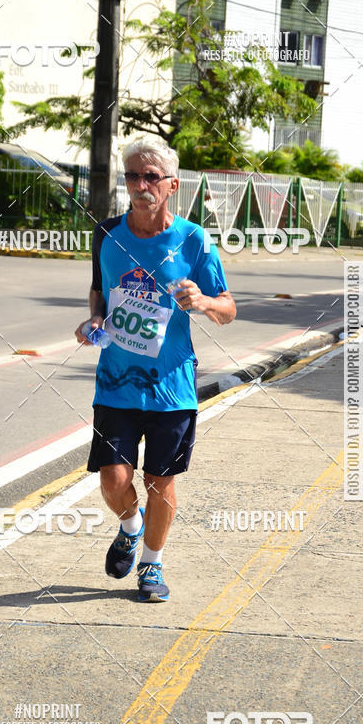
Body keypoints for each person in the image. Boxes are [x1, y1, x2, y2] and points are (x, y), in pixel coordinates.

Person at [75, 138, 236, 602]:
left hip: (172, 388)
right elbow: (98, 292)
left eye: (151, 177)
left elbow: (228, 307)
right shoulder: (106, 233)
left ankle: (151, 565)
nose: (140, 186)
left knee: (159, 484)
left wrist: (204, 302)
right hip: (116, 385)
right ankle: (130, 525)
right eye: (133, 176)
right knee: (114, 482)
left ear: (172, 185)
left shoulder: (193, 239)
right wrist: (95, 321)